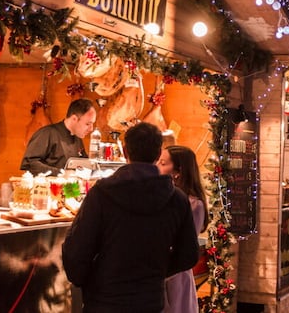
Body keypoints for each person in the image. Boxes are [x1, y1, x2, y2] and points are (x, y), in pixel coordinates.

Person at [62, 122, 199, 312]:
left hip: (105, 301)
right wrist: (156, 272)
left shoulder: (102, 194)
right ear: (159, 153)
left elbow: (76, 251)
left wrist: (89, 280)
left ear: (125, 151)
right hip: (149, 301)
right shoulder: (177, 199)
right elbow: (189, 255)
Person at [158, 145, 209, 313]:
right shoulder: (165, 197)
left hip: (175, 275)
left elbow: (183, 246)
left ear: (178, 171)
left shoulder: (193, 204)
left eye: (163, 163)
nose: (157, 165)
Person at [20, 98, 96, 175]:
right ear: (74, 119)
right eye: (88, 124)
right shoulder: (47, 133)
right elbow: (30, 164)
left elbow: (85, 164)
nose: (91, 129)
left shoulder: (77, 137)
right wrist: (62, 173)